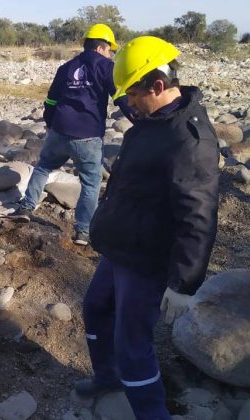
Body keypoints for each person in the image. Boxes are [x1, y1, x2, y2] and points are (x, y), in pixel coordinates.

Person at [76, 36, 220, 419]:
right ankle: (108, 378)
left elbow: (199, 215)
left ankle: (152, 414)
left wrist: (184, 283)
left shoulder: (189, 140)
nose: (129, 104)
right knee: (94, 309)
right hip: (122, 246)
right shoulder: (154, 118)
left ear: (158, 86)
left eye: (134, 94)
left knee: (133, 346)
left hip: (146, 259)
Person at [10, 23, 134, 246]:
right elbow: (121, 99)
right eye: (109, 49)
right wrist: (139, 121)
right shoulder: (107, 67)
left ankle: (26, 207)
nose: (110, 54)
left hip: (60, 130)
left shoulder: (66, 67)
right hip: (87, 135)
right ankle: (83, 232)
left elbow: (50, 100)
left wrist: (51, 123)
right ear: (100, 47)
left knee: (43, 168)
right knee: (90, 182)